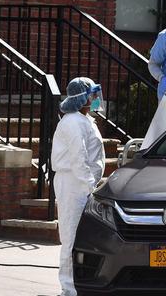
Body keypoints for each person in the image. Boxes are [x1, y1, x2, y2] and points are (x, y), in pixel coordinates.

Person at [51, 77, 106, 296]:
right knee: (71, 234)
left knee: (79, 236)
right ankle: (68, 287)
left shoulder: (84, 120)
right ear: (81, 98)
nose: (94, 99)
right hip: (73, 183)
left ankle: (78, 284)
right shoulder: (73, 122)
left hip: (80, 182)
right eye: (91, 95)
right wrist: (89, 185)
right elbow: (78, 158)